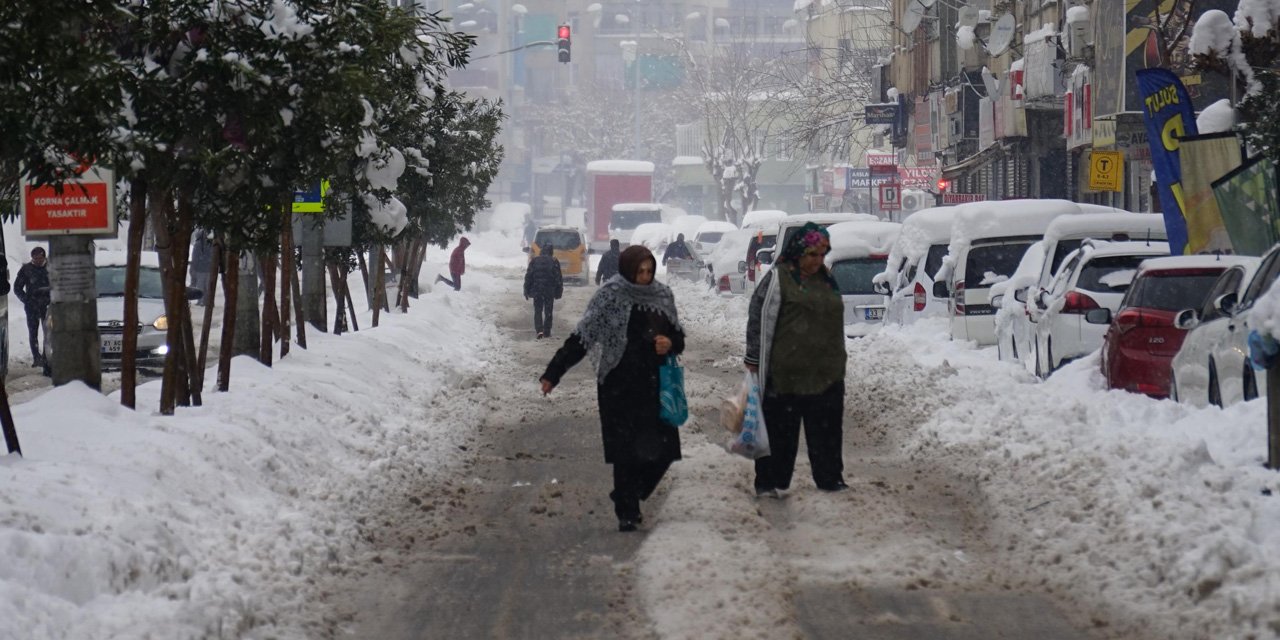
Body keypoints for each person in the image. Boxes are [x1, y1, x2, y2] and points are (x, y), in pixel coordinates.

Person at [540, 246, 684, 532]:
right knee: (626, 453)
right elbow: (582, 337)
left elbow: (678, 337)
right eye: (639, 271)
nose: (645, 277)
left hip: (656, 385)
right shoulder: (610, 296)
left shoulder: (662, 296)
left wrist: (671, 343)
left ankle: (627, 493)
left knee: (664, 451)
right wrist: (553, 373)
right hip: (619, 386)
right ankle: (627, 511)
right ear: (628, 269)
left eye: (649, 271)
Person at [745, 222, 848, 497]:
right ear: (798, 252)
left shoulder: (826, 278)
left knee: (826, 432)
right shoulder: (779, 278)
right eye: (812, 254)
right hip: (785, 375)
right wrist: (753, 358)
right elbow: (758, 314)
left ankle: (829, 478)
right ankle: (770, 481)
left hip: (826, 374)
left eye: (822, 254)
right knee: (780, 433)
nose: (817, 260)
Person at [14, 247, 51, 367]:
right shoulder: (26, 270)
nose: (37, 261)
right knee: (33, 332)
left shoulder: (50, 268)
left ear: (44, 257)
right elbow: (17, 288)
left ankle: (47, 356)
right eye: (35, 259)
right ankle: (37, 357)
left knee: (48, 332)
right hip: (32, 306)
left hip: (48, 306)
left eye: (40, 258)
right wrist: (26, 300)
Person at [524, 240, 563, 339]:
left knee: (538, 310)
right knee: (548, 311)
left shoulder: (534, 260)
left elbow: (528, 276)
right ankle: (547, 331)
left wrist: (526, 289)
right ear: (551, 251)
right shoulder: (554, 261)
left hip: (537, 289)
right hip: (549, 290)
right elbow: (558, 278)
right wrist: (558, 291)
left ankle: (539, 330)